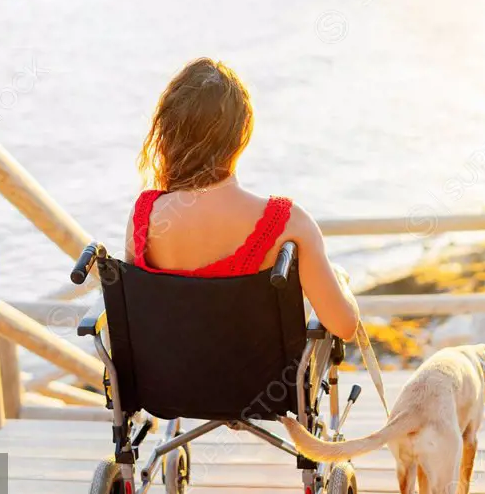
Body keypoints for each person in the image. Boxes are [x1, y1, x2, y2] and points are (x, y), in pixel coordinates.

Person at [124, 57, 360, 341]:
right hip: (264, 386)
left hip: (158, 386)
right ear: (241, 136)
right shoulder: (288, 224)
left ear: (168, 133)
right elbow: (344, 327)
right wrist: (341, 283)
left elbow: (135, 314)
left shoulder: (144, 217)